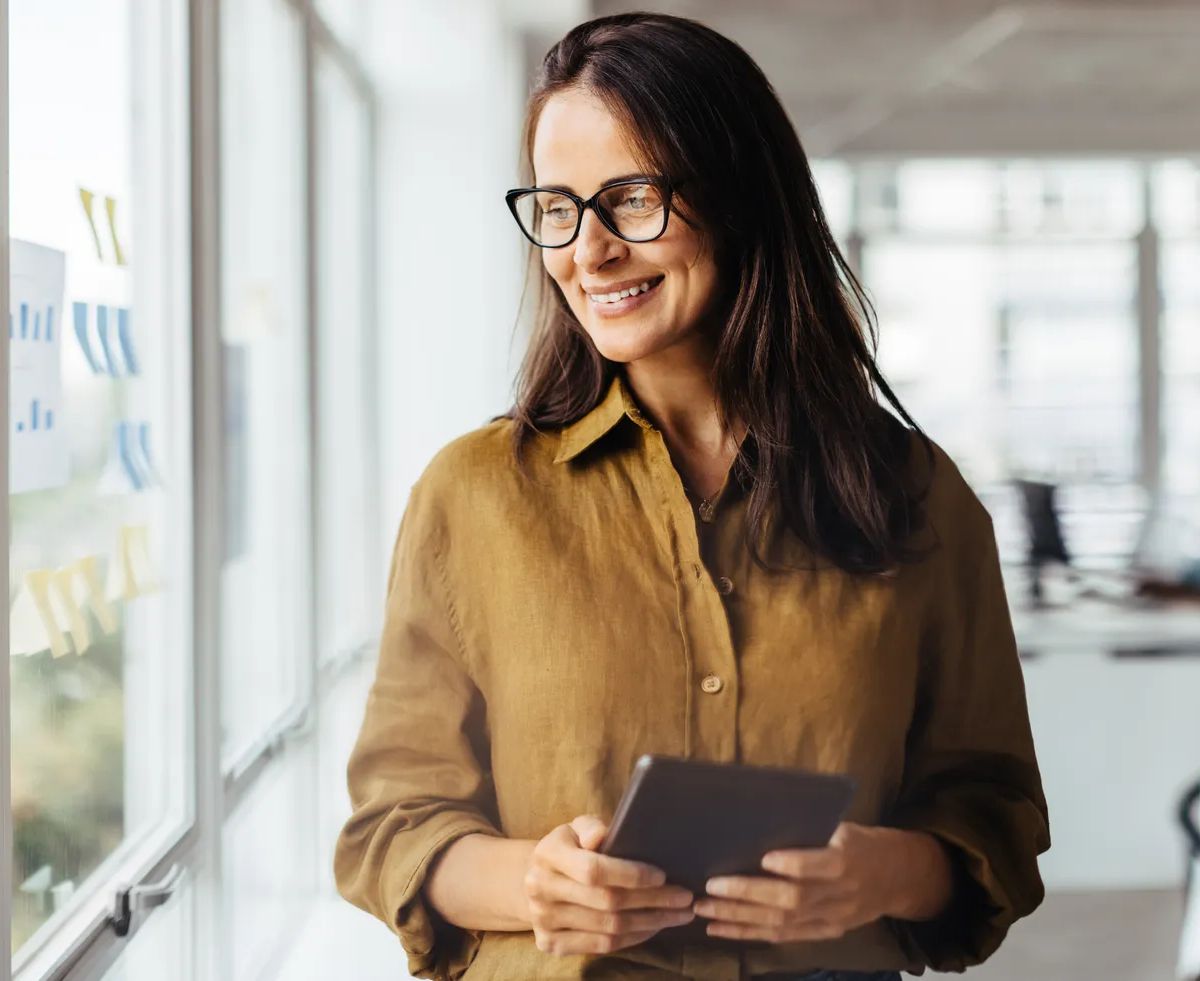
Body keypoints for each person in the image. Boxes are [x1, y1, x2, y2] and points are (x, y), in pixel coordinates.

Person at [334, 11, 1050, 981]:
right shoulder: (474, 497)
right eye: (557, 207)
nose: (589, 252)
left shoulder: (917, 494)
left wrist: (885, 873)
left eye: (630, 199)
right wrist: (530, 883)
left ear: (739, 196)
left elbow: (992, 816)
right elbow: (393, 827)